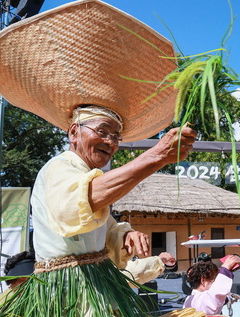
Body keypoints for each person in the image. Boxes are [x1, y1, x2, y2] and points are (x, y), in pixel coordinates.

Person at [0, 2, 198, 316]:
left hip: (99, 284)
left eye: (117, 137)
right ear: (74, 132)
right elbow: (80, 204)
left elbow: (101, 225)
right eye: (103, 131)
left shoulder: (86, 174)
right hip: (66, 292)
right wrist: (157, 156)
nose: (110, 142)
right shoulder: (59, 169)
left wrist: (126, 234)